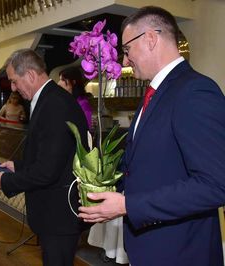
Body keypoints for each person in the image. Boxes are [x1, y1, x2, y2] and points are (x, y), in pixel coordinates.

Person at [78, 6, 225, 266]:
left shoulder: (195, 91)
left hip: (181, 254)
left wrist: (128, 206)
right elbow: (143, 166)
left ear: (150, 39)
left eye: (127, 50)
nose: (124, 61)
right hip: (151, 248)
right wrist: (103, 186)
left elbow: (215, 185)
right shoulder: (157, 92)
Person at [0, 49, 89, 266]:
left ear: (31, 75)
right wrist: (18, 166)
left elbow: (47, 171)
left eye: (14, 81)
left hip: (58, 216)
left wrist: (5, 181)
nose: (13, 88)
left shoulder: (55, 104)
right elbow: (51, 156)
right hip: (53, 214)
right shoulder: (49, 99)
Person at [58, 67, 93, 131]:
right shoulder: (64, 101)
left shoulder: (83, 104)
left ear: (73, 82)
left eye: (63, 79)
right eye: (59, 79)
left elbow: (86, 129)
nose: (59, 83)